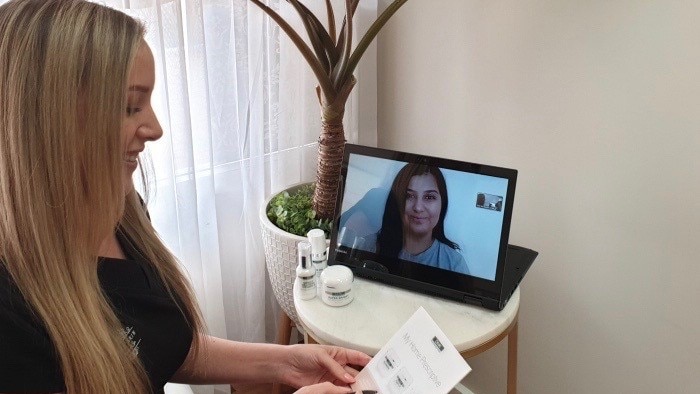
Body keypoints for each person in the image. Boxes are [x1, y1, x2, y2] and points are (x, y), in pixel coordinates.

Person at [0, 1, 368, 393]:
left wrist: (286, 364)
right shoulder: (12, 319)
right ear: (47, 121)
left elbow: (159, 349)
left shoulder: (123, 213)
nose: (155, 128)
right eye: (129, 107)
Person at [362, 163, 469, 274]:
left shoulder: (455, 263)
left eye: (429, 197)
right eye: (409, 196)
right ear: (395, 202)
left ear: (442, 204)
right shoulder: (368, 245)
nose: (418, 207)